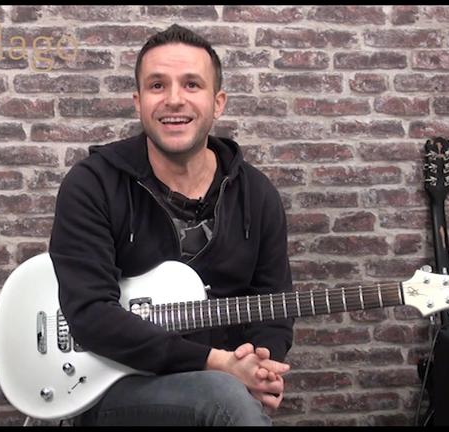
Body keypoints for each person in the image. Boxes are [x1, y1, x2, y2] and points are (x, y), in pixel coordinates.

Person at [48, 24, 295, 426]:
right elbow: (90, 314)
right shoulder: (92, 184)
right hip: (110, 382)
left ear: (218, 103)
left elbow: (274, 303)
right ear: (138, 101)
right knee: (225, 398)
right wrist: (216, 363)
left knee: (228, 395)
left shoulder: (257, 194)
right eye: (157, 85)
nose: (174, 99)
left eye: (192, 84)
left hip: (221, 380)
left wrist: (262, 362)